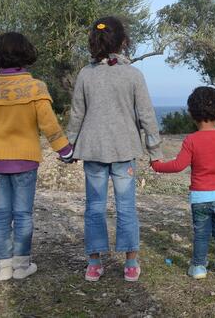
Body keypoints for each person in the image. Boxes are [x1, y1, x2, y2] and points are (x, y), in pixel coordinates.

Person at [67, 16, 162, 282]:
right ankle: (131, 262)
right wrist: (155, 150)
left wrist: (69, 145)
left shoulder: (86, 74)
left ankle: (94, 262)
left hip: (93, 150)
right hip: (124, 149)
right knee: (127, 206)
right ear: (123, 42)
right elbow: (146, 115)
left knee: (94, 206)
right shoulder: (133, 75)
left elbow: (77, 114)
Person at [0, 32, 74, 281]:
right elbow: (49, 124)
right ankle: (21, 264)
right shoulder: (35, 87)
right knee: (23, 214)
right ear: (26, 53)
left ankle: (4, 266)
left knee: (0, 214)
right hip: (26, 160)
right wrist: (65, 150)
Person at [152, 87, 215, 279]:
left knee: (201, 233)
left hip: (200, 197)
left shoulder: (191, 140)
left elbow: (178, 165)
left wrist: (157, 166)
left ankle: (198, 267)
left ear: (191, 114)